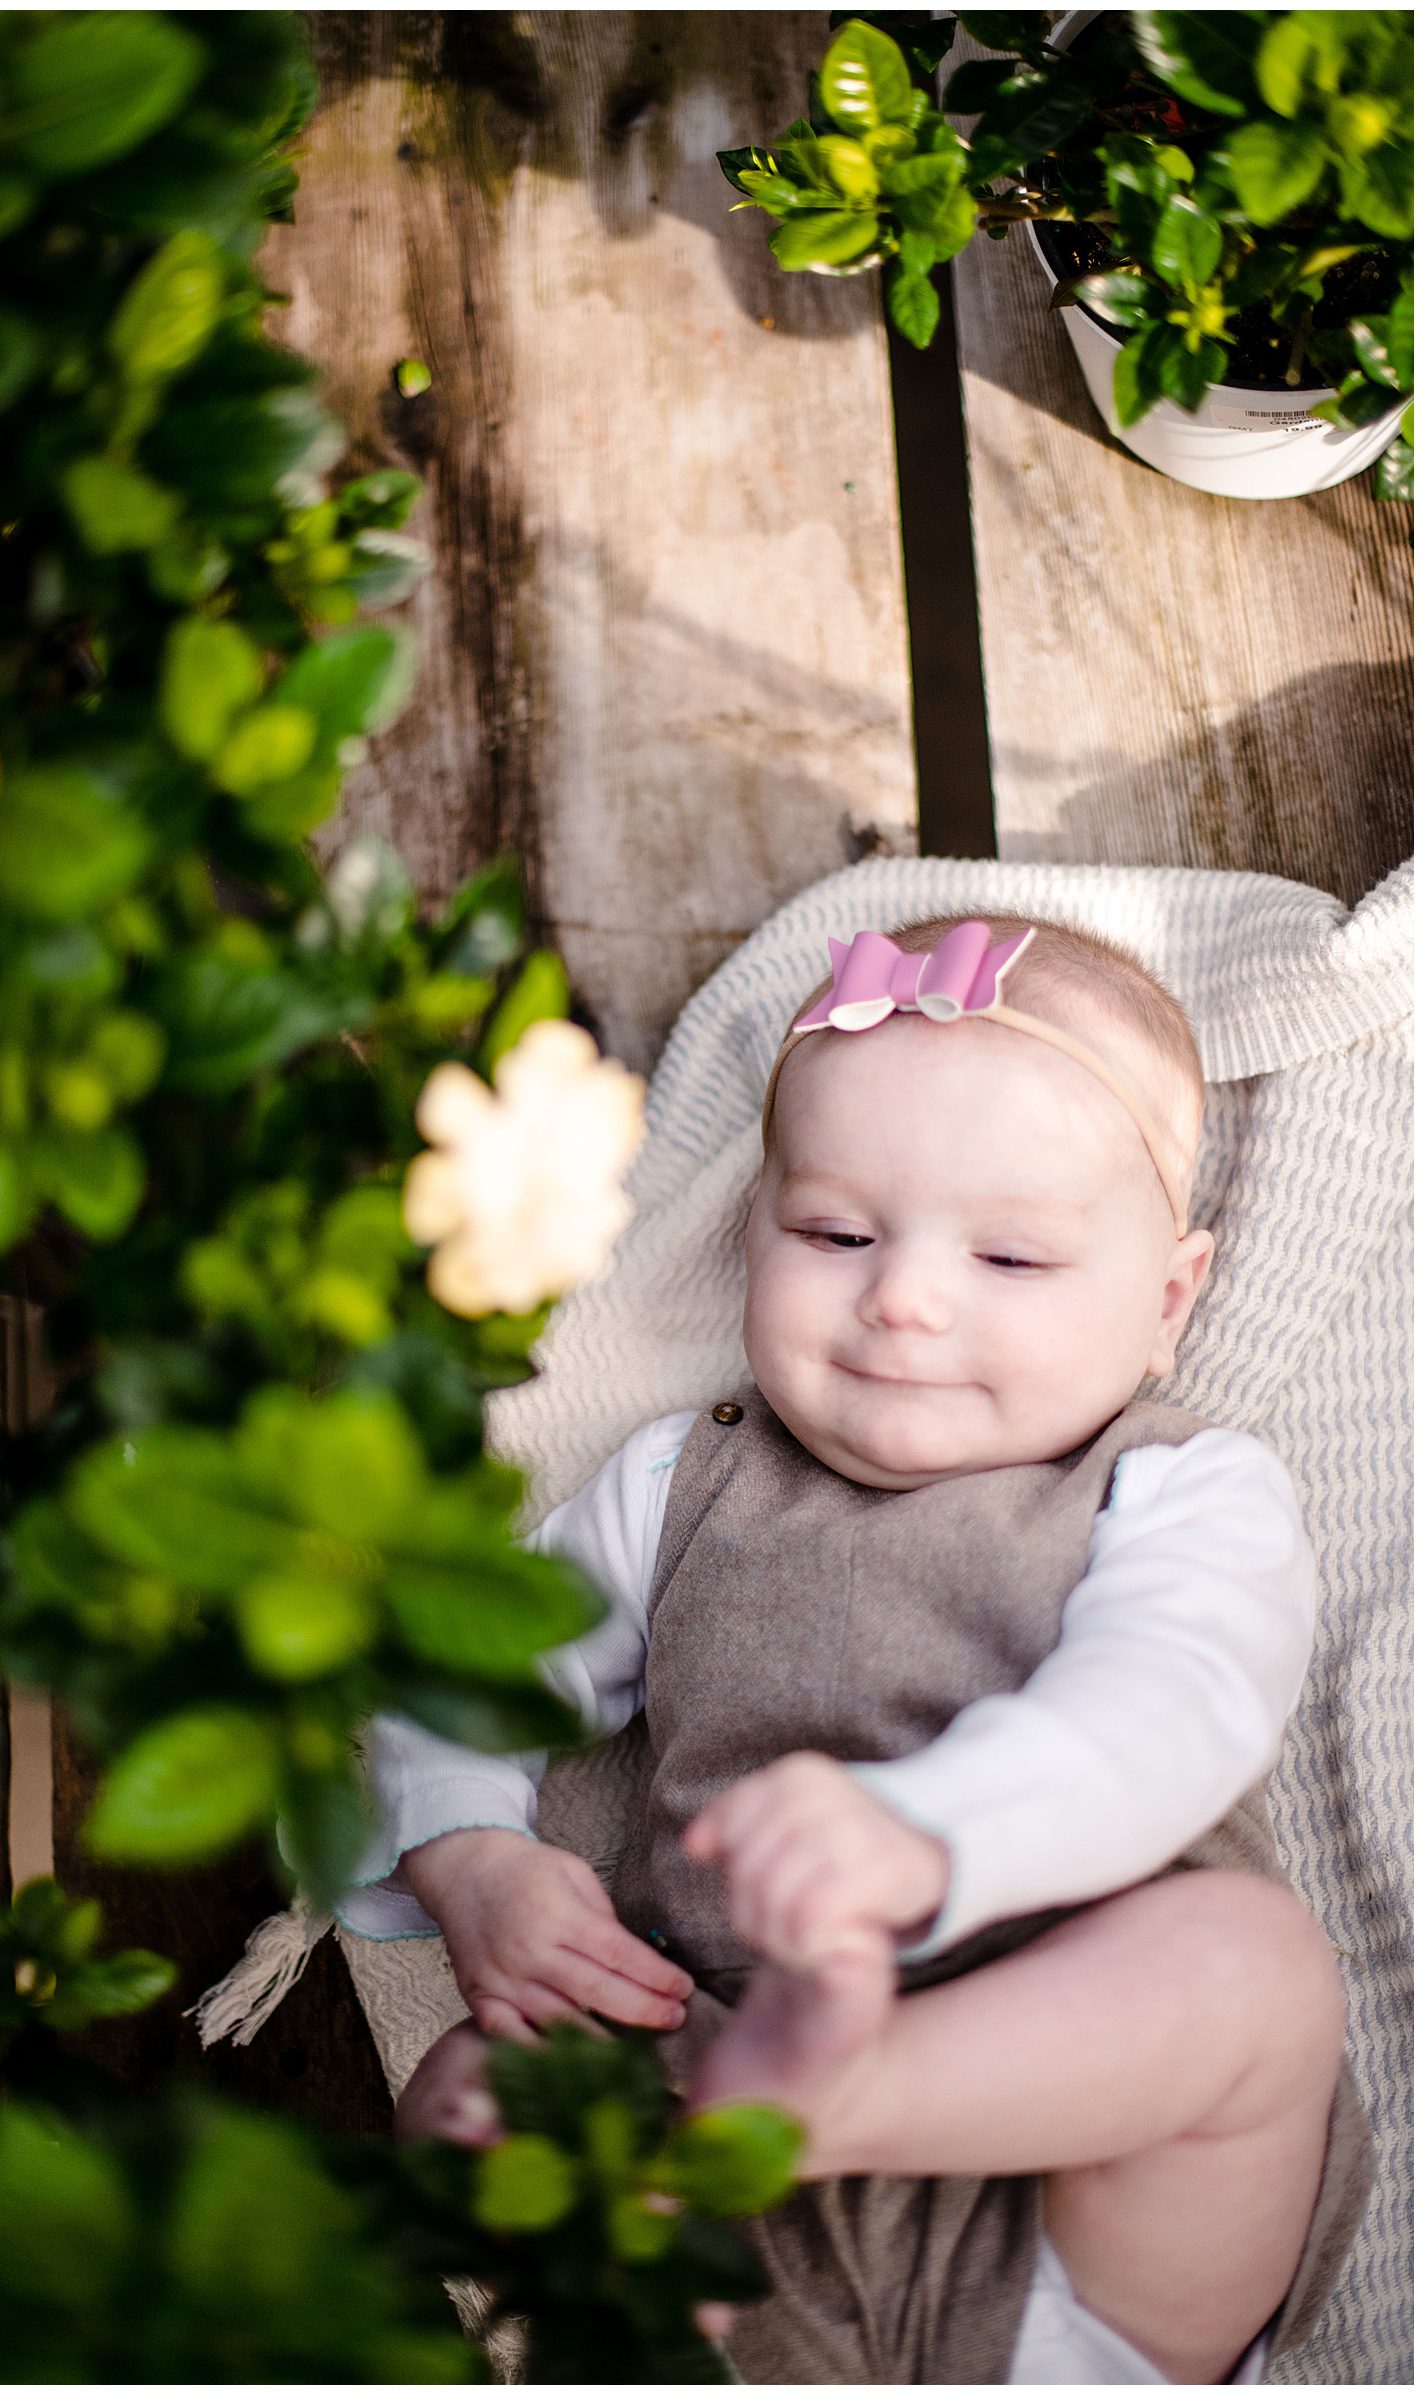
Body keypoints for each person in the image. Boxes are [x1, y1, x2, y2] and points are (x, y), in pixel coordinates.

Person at [360, 915, 1368, 2384]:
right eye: (836, 1232)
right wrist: (472, 1854)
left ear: (1167, 1301)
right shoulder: (676, 1486)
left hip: (1084, 2225)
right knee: (471, 2094)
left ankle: (853, 2089)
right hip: (720, 2163)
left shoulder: (1179, 1487)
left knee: (1254, 1971)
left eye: (1013, 1254)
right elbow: (463, 1665)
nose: (904, 1296)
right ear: (754, 1227)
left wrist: (923, 1833)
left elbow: (1175, 1706)